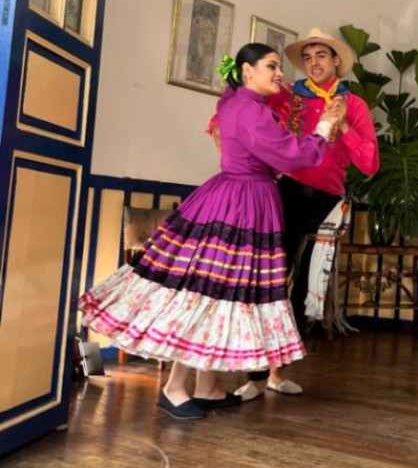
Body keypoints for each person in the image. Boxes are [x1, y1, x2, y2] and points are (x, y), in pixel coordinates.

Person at [79, 43, 341, 420]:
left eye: (279, 67)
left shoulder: (237, 105)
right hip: (242, 204)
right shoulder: (250, 110)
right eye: (271, 66)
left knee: (219, 294)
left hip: (237, 198)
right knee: (212, 293)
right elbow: (291, 154)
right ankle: (174, 389)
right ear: (248, 72)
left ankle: (207, 387)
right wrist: (324, 127)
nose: (279, 73)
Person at [216, 28, 380, 401]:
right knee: (269, 281)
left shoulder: (354, 104)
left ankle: (277, 371)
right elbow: (243, 103)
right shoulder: (288, 96)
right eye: (307, 57)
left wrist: (344, 125)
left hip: (326, 202)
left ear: (336, 60)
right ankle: (256, 376)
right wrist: (218, 128)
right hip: (284, 193)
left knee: (305, 290)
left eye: (321, 55)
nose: (313, 63)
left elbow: (369, 163)